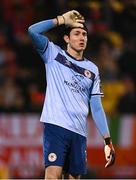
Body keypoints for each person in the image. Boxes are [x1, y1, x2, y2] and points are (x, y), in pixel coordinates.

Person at [28, 10, 115, 179]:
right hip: (56, 126)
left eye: (84, 34)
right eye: (77, 33)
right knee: (53, 175)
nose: (82, 37)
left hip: (79, 132)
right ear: (67, 38)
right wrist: (60, 20)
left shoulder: (92, 69)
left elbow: (96, 107)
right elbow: (32, 31)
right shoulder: (53, 54)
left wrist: (107, 141)